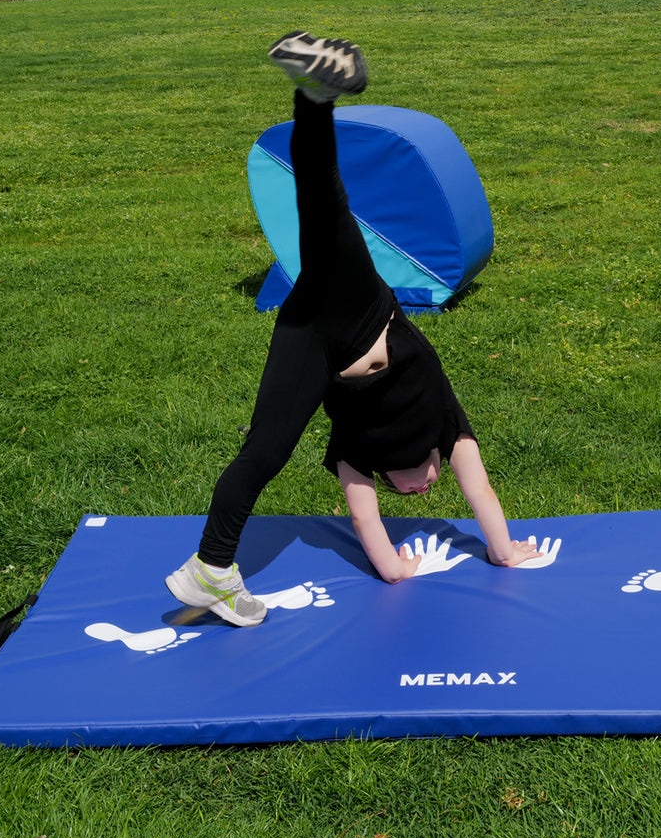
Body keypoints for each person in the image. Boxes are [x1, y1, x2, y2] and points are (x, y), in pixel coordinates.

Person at [166, 32, 542, 626]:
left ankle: (210, 567)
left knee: (264, 452)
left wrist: (394, 567)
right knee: (324, 204)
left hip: (312, 334)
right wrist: (502, 551)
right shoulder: (446, 427)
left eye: (405, 492)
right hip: (361, 306)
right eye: (424, 487)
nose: (418, 490)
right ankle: (315, 92)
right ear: (436, 463)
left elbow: (366, 519)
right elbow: (482, 493)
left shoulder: (356, 452)